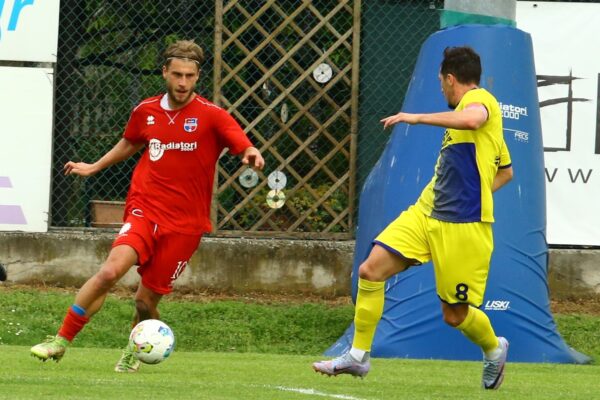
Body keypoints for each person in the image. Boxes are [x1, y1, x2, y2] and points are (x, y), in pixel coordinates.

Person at [31, 40, 264, 372]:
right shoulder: (146, 110)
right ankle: (60, 340)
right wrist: (95, 166)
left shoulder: (212, 116)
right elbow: (131, 141)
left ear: (198, 76)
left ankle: (135, 348)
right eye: (177, 75)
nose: (183, 83)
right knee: (111, 270)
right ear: (165, 72)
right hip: (145, 209)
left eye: (190, 76)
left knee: (144, 302)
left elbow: (240, 141)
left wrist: (250, 152)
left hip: (185, 226)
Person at [313, 46, 513, 390]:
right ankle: (358, 356)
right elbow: (505, 171)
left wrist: (415, 117)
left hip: (463, 225)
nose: (441, 89)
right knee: (370, 270)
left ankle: (494, 349)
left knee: (454, 315)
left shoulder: (480, 100)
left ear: (450, 79)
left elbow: (473, 118)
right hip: (426, 211)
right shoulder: (485, 129)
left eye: (441, 82)